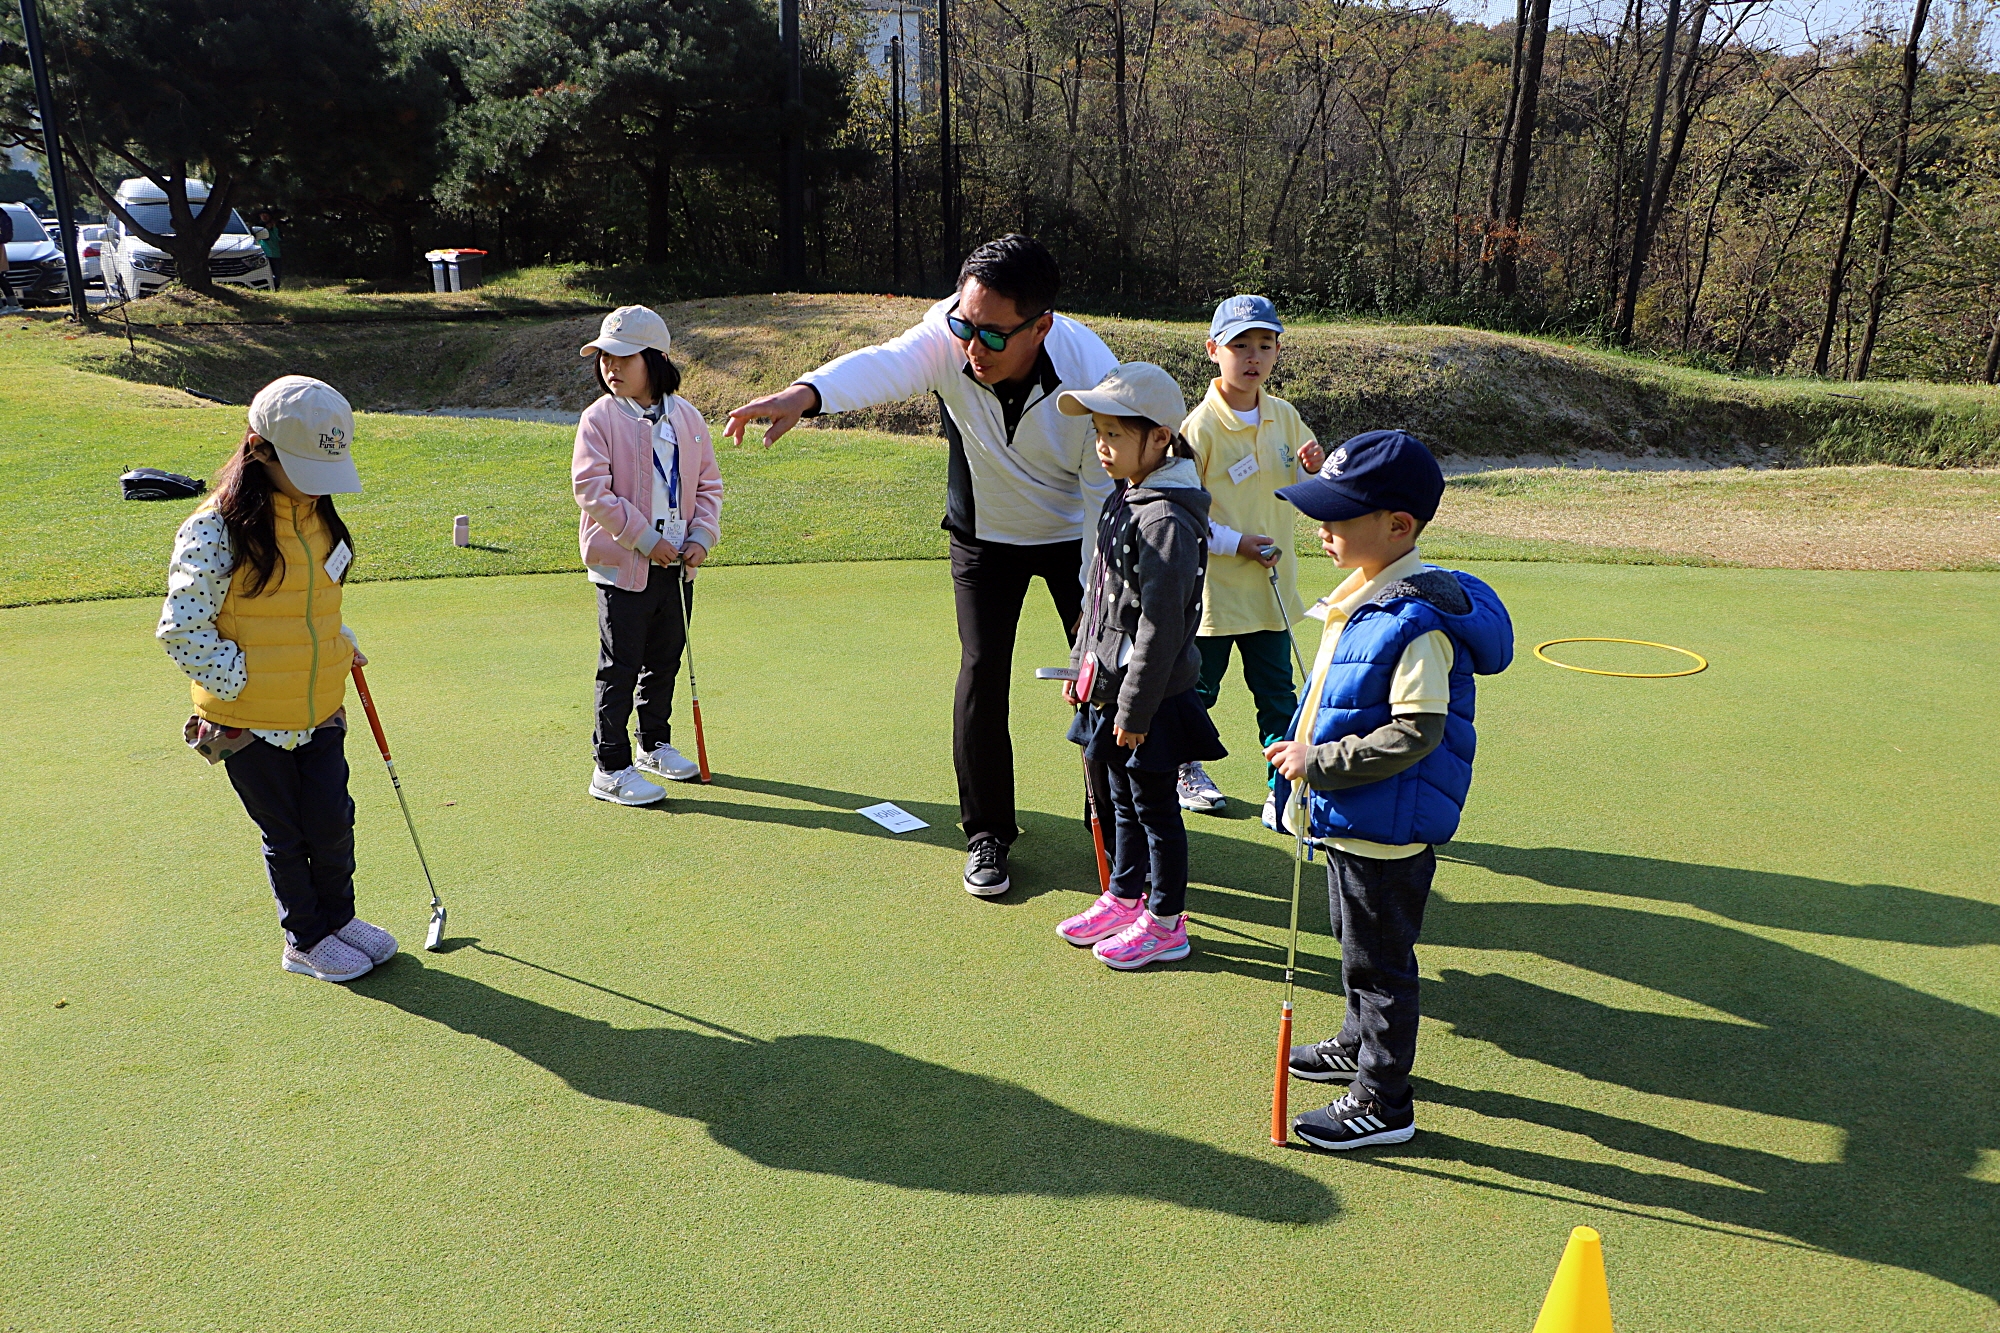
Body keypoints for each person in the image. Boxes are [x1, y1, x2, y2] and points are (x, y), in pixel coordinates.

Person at [725, 235, 1118, 898]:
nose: (971, 347)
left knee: (1102, 671)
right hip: (984, 533)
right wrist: (805, 393)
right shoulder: (949, 334)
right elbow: (885, 364)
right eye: (964, 326)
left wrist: (1094, 618)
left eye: (991, 335)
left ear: (1041, 326)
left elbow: (1105, 498)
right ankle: (987, 832)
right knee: (981, 672)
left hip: (1073, 533)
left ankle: (1112, 821)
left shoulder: (1093, 374)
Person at [1260, 429, 1513, 1148]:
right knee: (1353, 944)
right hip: (1353, 816)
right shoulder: (1367, 596)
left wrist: (1320, 759)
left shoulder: (1414, 623)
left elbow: (1415, 734)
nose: (1320, 526)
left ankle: (1383, 1099)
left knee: (1380, 967)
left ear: (1398, 526)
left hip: (1385, 829)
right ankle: (1355, 1042)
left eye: (1337, 515)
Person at [156, 375, 393, 984]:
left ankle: (338, 920)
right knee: (286, 837)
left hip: (320, 705)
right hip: (249, 720)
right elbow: (182, 628)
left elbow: (310, 604)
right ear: (259, 449)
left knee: (333, 823)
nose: (318, 483)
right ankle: (305, 939)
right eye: (305, 468)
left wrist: (338, 643)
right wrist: (242, 683)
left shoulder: (318, 516)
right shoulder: (214, 528)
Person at [1050, 364, 1224, 970]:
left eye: (1114, 435)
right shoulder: (1126, 495)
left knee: (1155, 810)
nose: (1102, 446)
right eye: (1098, 433)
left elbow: (1161, 626)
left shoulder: (1165, 519)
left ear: (1159, 438)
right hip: (1113, 688)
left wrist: (1134, 709)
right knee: (1120, 800)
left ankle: (1167, 922)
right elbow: (1099, 597)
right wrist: (1082, 668)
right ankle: (1125, 897)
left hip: (1151, 698)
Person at [1174, 294, 1326, 827]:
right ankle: (1182, 769)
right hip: (1213, 595)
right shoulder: (1198, 428)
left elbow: (1310, 493)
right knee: (1197, 692)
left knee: (1278, 697)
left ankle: (1280, 793)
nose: (1253, 356)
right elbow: (1183, 513)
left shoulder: (1286, 416)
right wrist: (1234, 542)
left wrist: (1314, 470)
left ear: (1278, 351)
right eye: (1240, 345)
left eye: (1265, 344)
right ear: (1213, 350)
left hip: (1271, 592)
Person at [573, 305, 723, 806]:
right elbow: (592, 490)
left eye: (623, 357)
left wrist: (701, 537)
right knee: (620, 666)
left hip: (677, 564)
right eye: (604, 357)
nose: (610, 367)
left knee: (664, 660)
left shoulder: (688, 417)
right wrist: (644, 538)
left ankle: (653, 745)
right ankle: (609, 767)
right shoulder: (599, 418)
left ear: (655, 360)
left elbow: (708, 486)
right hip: (623, 566)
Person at [254, 209, 283, 290]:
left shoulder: (275, 226)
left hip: (275, 254)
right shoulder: (258, 226)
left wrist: (273, 228)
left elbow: (279, 238)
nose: (264, 217)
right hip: (263, 254)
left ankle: (276, 287)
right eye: (262, 215)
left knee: (276, 273)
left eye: (266, 215)